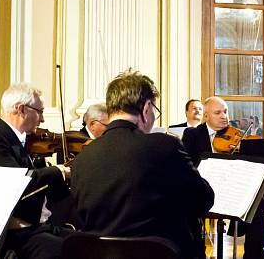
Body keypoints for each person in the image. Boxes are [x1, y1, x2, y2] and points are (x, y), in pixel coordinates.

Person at [71, 70, 214, 259]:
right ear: (146, 108)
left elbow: (82, 216)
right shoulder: (165, 145)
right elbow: (202, 200)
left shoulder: (82, 158)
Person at [0, 83, 72, 259]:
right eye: (40, 112)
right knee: (68, 250)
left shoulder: (20, 139)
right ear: (21, 109)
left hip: (38, 225)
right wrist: (58, 171)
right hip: (13, 235)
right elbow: (19, 181)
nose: (42, 119)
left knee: (86, 243)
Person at [182, 97, 264, 259]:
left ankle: (253, 255)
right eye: (217, 113)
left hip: (231, 190)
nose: (224, 116)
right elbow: (187, 165)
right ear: (206, 116)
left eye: (225, 112)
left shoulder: (236, 135)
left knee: (258, 205)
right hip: (204, 191)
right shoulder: (192, 134)